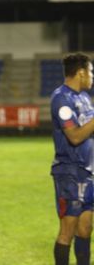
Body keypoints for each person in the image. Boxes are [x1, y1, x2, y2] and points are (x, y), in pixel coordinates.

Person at [50, 53, 94, 265]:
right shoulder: (61, 99)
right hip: (70, 173)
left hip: (88, 171)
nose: (92, 77)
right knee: (68, 230)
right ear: (81, 72)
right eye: (91, 72)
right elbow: (75, 136)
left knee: (85, 228)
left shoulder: (84, 98)